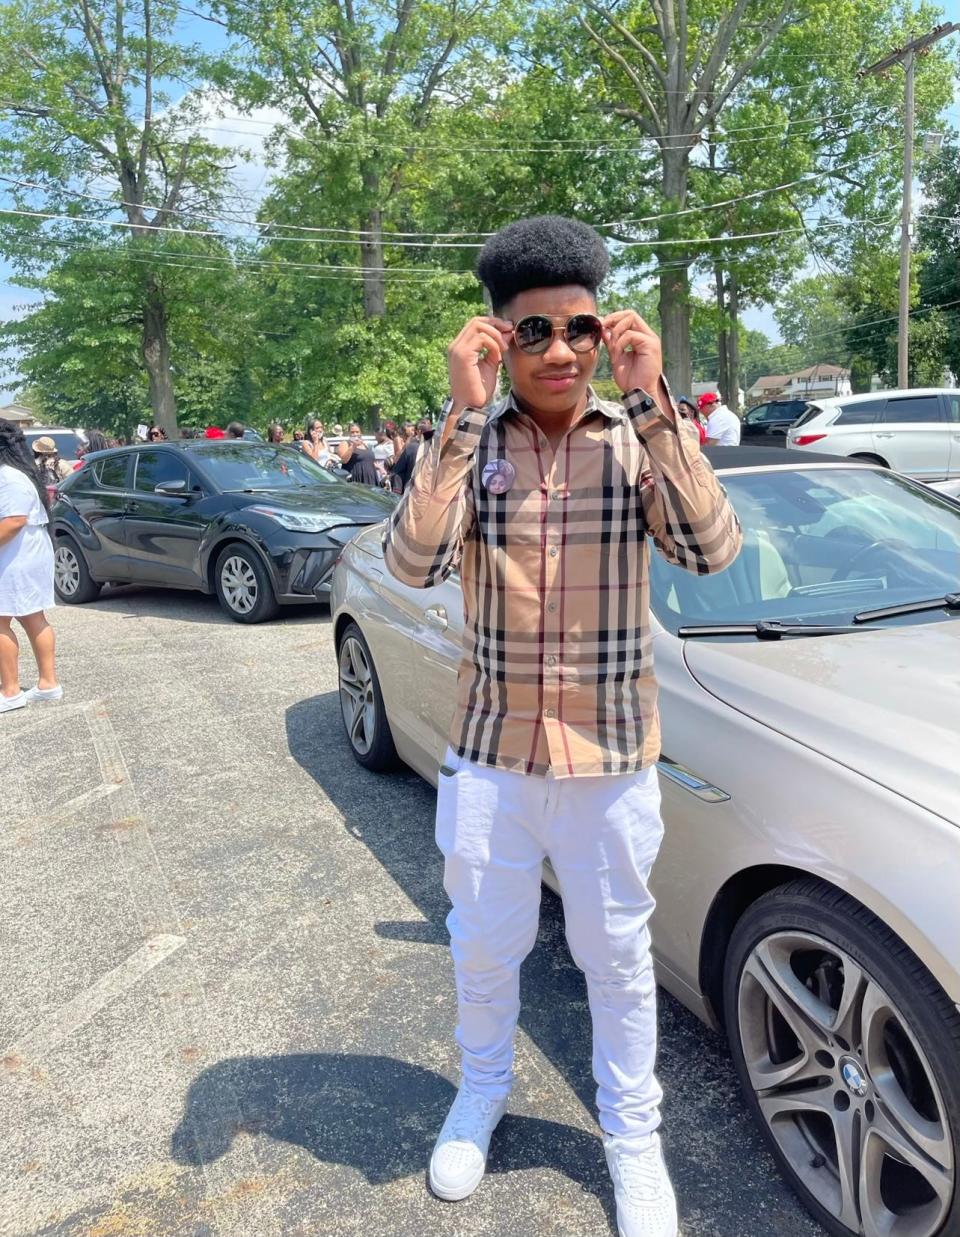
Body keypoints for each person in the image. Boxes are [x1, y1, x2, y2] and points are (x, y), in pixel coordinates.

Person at [383, 215, 741, 1237]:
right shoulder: (467, 443)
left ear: (602, 330)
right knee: (483, 947)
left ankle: (633, 1136)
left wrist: (653, 395)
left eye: (577, 328)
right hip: (492, 755)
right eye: (530, 332)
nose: (557, 352)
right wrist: (459, 414)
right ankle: (482, 1089)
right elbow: (410, 564)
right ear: (494, 339)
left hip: (612, 758)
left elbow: (712, 546)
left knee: (616, 960)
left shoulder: (635, 441)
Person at [0, 419, 62, 714]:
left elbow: (13, 521)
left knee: (1, 620)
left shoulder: (7, 476)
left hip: (17, 553)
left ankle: (10, 691)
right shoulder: (20, 473)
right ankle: (48, 684)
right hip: (27, 550)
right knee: (32, 617)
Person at [389, 418, 433, 494]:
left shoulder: (434, 449)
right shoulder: (412, 447)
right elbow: (398, 472)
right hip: (415, 491)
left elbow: (398, 472)